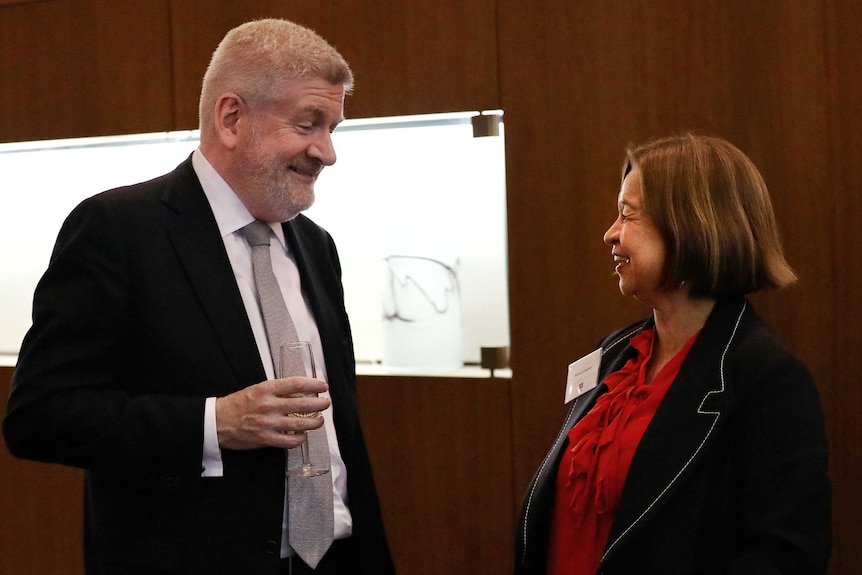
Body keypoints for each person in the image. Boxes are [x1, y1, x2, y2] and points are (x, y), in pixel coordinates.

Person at [3, 18, 395, 575]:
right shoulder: (117, 230)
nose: (327, 153)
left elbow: (342, 438)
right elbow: (40, 417)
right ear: (231, 118)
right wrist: (214, 424)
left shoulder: (315, 246)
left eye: (333, 128)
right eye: (309, 125)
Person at [514, 134, 831, 575]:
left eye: (627, 215)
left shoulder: (767, 378)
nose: (610, 233)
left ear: (691, 225)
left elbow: (787, 554)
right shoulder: (613, 354)